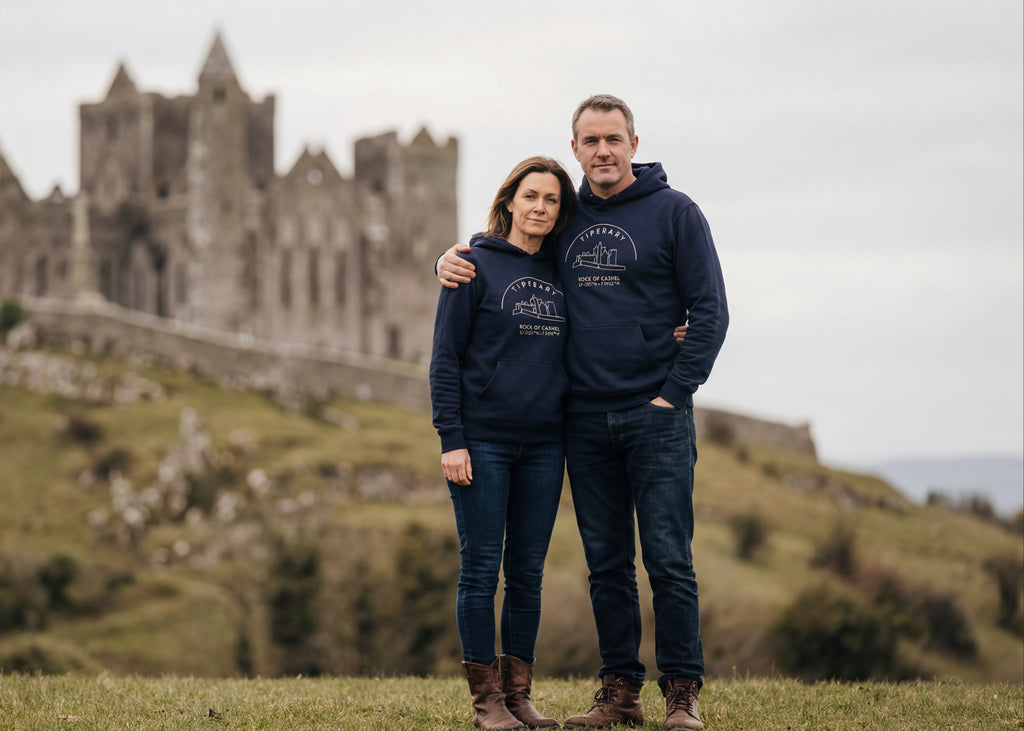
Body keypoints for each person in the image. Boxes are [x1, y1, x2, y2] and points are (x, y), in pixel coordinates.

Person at [437, 94, 729, 731]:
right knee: (606, 566)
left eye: (613, 139)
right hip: (584, 424)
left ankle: (682, 696)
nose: (603, 150)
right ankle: (620, 694)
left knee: (670, 561)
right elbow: (510, 253)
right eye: (590, 141)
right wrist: (451, 258)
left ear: (632, 144)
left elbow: (710, 312)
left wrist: (672, 394)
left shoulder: (676, 213)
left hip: (656, 416)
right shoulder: (564, 222)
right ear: (575, 149)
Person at [430, 155, 578, 730]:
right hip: (483, 442)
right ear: (510, 201)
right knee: (479, 570)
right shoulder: (471, 266)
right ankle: (486, 701)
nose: (540, 207)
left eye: (552, 200)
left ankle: (519, 696)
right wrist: (452, 438)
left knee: (528, 573)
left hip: (546, 445)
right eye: (531, 196)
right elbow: (445, 358)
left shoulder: (566, 271)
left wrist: (675, 324)